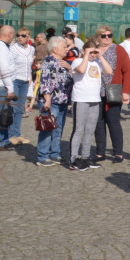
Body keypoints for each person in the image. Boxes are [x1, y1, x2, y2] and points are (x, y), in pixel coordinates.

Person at [69, 41, 112, 171]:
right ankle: (73, 159)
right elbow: (81, 70)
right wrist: (86, 54)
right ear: (84, 51)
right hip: (81, 99)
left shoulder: (97, 63)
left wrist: (100, 56)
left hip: (95, 100)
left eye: (94, 52)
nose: (93, 54)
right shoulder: (77, 61)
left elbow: (109, 71)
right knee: (79, 129)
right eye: (90, 52)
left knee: (90, 130)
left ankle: (85, 157)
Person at [92, 25, 130, 165]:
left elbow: (127, 71)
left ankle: (118, 152)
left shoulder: (118, 49)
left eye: (109, 35)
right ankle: (100, 151)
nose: (107, 38)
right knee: (98, 123)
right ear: (98, 37)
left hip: (113, 90)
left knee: (113, 122)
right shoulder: (93, 50)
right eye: (104, 36)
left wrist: (126, 91)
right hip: (95, 92)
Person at [35, 36, 74, 167]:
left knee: (58, 129)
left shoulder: (63, 62)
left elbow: (72, 80)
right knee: (47, 128)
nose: (66, 50)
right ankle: (43, 156)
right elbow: (44, 83)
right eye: (64, 47)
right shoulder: (48, 62)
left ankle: (55, 153)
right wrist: (47, 100)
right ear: (55, 49)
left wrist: (69, 68)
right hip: (51, 101)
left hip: (62, 101)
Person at [7, 27, 34, 146]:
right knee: (13, 108)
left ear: (28, 37)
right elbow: (9, 65)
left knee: (20, 109)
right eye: (18, 35)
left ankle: (17, 134)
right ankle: (11, 135)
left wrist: (29, 79)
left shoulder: (32, 49)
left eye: (23, 35)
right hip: (15, 80)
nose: (20, 37)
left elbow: (29, 66)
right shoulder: (13, 49)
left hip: (25, 81)